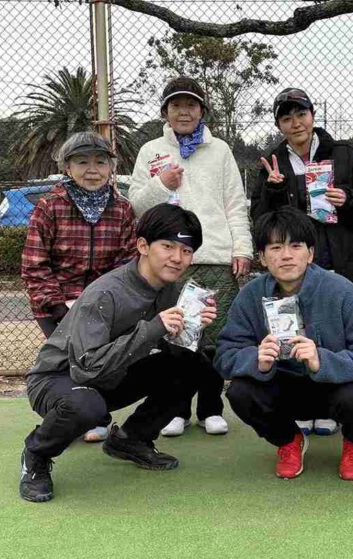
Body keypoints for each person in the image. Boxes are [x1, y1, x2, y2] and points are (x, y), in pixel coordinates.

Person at [19, 204, 217, 503]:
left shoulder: (173, 291)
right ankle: (36, 455)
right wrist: (153, 329)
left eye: (186, 251)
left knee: (195, 363)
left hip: (113, 373)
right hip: (60, 377)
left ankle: (131, 439)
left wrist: (192, 329)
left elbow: (170, 350)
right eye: (167, 246)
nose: (177, 258)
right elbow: (86, 366)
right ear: (143, 246)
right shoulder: (107, 292)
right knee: (86, 406)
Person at [214, 207, 353, 481]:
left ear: (310, 253)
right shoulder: (250, 296)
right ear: (262, 257)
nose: (286, 255)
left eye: (296, 246)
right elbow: (225, 354)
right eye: (275, 247)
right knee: (240, 392)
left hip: (336, 387)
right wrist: (256, 359)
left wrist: (323, 359)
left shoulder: (342, 290)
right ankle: (288, 440)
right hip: (284, 388)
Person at [251, 87, 353, 435]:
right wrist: (274, 191)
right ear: (279, 124)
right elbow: (260, 219)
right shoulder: (272, 162)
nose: (295, 123)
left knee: (340, 332)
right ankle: (304, 405)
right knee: (300, 328)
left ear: (312, 115)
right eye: (286, 117)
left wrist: (349, 199)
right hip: (298, 268)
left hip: (344, 259)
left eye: (301, 114)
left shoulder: (345, 154)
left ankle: (334, 407)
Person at [129, 76, 253, 437]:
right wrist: (161, 184)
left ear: (202, 111)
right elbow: (137, 205)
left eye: (191, 105)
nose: (184, 112)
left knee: (213, 338)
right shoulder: (151, 150)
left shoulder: (220, 150)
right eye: (176, 105)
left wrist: (241, 248)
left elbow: (235, 203)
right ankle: (176, 409)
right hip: (169, 261)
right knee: (175, 335)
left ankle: (211, 407)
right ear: (165, 111)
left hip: (214, 257)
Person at [21, 131, 137, 443]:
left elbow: (127, 262)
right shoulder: (49, 206)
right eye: (82, 162)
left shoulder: (122, 208)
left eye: (100, 162)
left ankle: (98, 416)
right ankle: (66, 417)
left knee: (99, 360)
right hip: (56, 304)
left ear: (111, 167)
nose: (92, 170)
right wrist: (58, 306)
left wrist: (111, 303)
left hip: (102, 304)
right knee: (66, 364)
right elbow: (34, 263)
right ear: (67, 167)